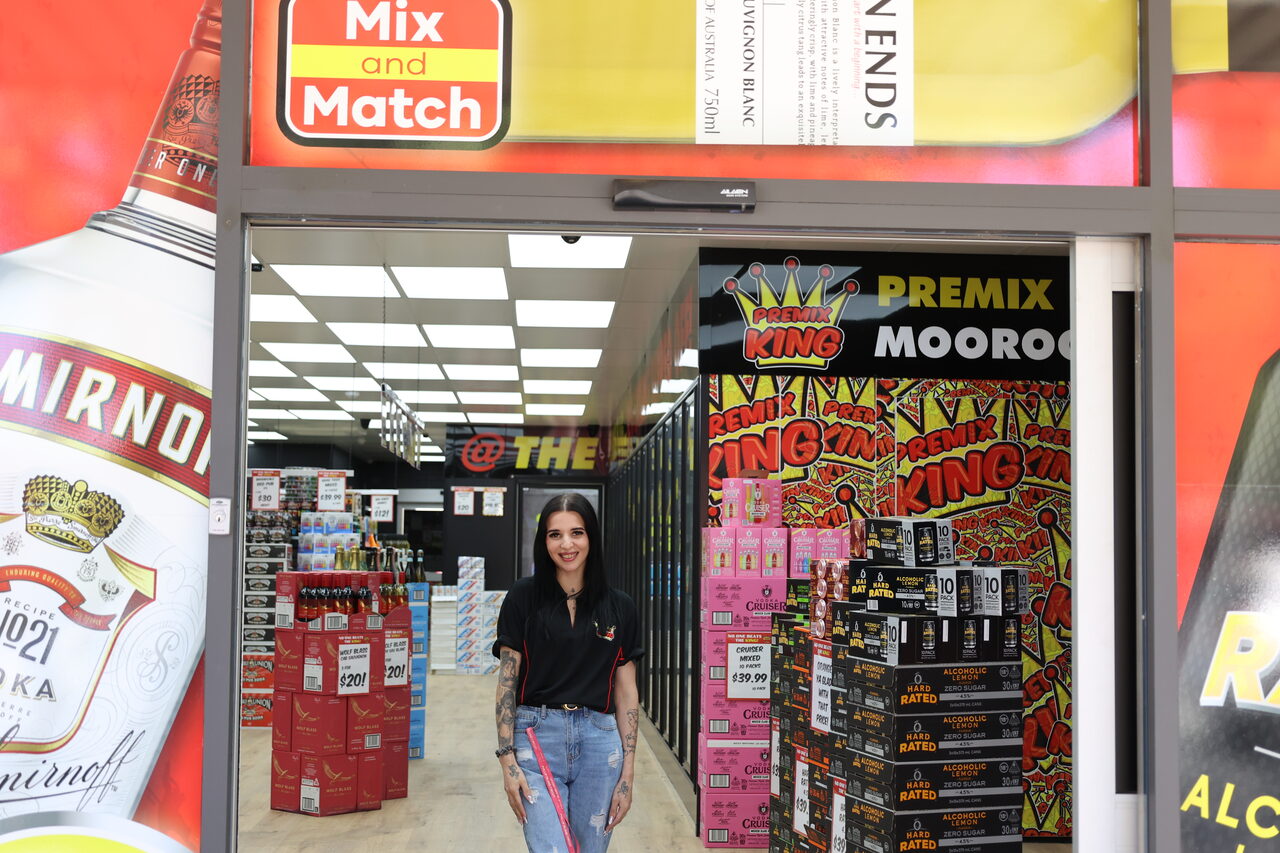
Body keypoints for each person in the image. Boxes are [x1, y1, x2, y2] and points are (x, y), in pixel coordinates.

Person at [493, 493, 644, 853]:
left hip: (600, 741)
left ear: (591, 537)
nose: (566, 545)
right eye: (554, 534)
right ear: (543, 541)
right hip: (535, 737)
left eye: (576, 533)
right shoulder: (522, 597)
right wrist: (507, 759)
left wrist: (628, 772)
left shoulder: (620, 607)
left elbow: (626, 693)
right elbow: (507, 684)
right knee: (551, 847)